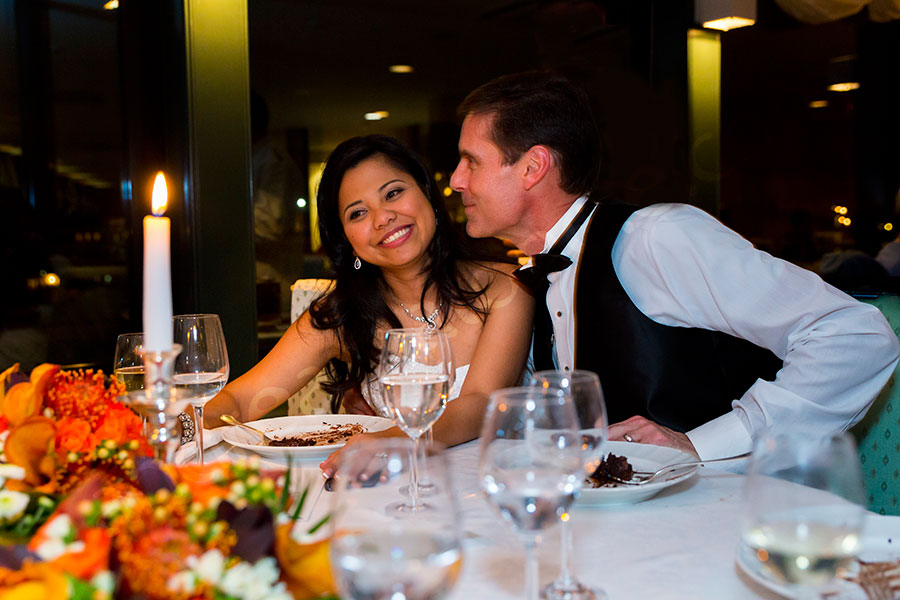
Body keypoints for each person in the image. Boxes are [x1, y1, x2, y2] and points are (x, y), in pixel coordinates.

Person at [450, 70, 900, 460]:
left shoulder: (654, 238)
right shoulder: (528, 278)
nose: (455, 181)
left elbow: (855, 336)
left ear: (533, 167)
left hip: (722, 514)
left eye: (471, 161)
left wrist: (703, 445)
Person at [203, 135, 533, 474]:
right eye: (358, 213)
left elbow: (480, 404)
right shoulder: (339, 318)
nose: (381, 218)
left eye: (393, 193)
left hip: (496, 489)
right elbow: (240, 400)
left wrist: (392, 441)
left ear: (426, 194)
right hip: (387, 497)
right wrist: (178, 424)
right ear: (346, 238)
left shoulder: (506, 288)